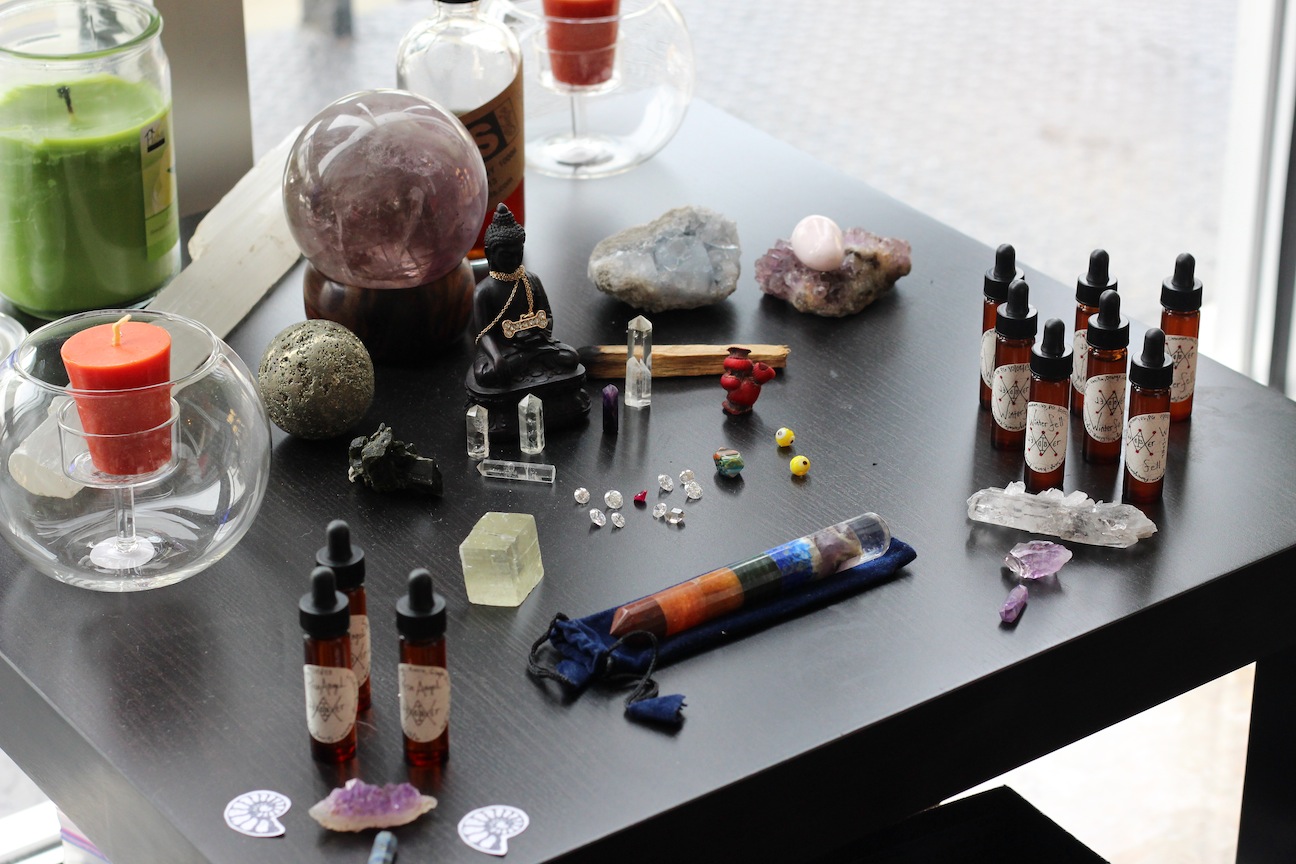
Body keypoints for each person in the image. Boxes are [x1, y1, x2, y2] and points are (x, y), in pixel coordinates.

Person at [469, 204, 581, 388]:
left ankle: (524, 363)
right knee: (487, 374)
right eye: (506, 255)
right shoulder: (484, 291)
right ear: (489, 254)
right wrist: (496, 357)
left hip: (534, 344)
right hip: (504, 349)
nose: (514, 260)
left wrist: (537, 333)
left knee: (571, 357)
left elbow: (547, 316)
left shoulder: (531, 280)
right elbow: (484, 334)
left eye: (518, 253)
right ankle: (522, 365)